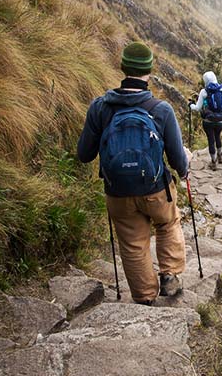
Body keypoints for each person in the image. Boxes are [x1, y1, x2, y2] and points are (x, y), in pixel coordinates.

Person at [77, 42, 189, 305]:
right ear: (149, 71)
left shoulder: (100, 108)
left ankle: (144, 297)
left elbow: (84, 154)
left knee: (132, 242)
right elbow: (176, 159)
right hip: (155, 191)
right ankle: (169, 276)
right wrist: (185, 166)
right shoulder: (160, 110)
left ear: (124, 67)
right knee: (168, 222)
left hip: (117, 193)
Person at [189, 71, 222, 169]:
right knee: (218, 137)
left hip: (208, 121)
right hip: (221, 121)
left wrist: (191, 105)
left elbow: (197, 108)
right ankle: (220, 157)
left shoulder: (204, 92)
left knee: (211, 140)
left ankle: (213, 162)